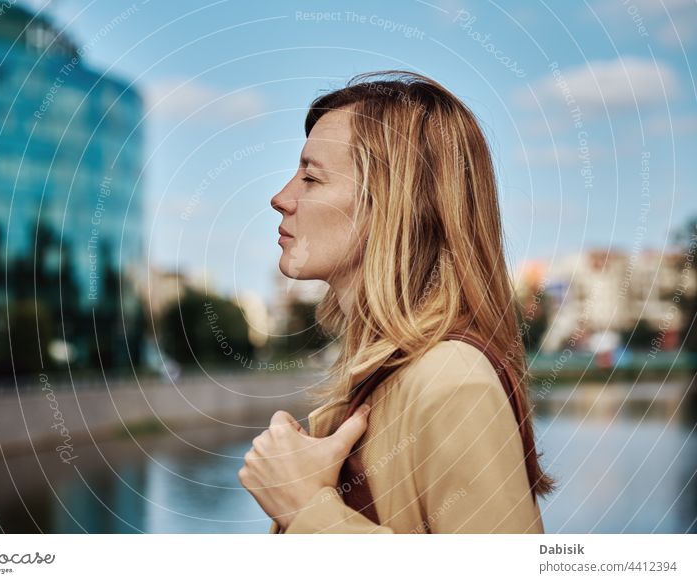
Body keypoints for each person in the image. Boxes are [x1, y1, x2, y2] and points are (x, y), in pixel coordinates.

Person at [238, 70, 556, 534]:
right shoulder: (385, 377)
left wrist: (308, 510)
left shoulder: (451, 381)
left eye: (311, 177)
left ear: (392, 205)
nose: (281, 197)